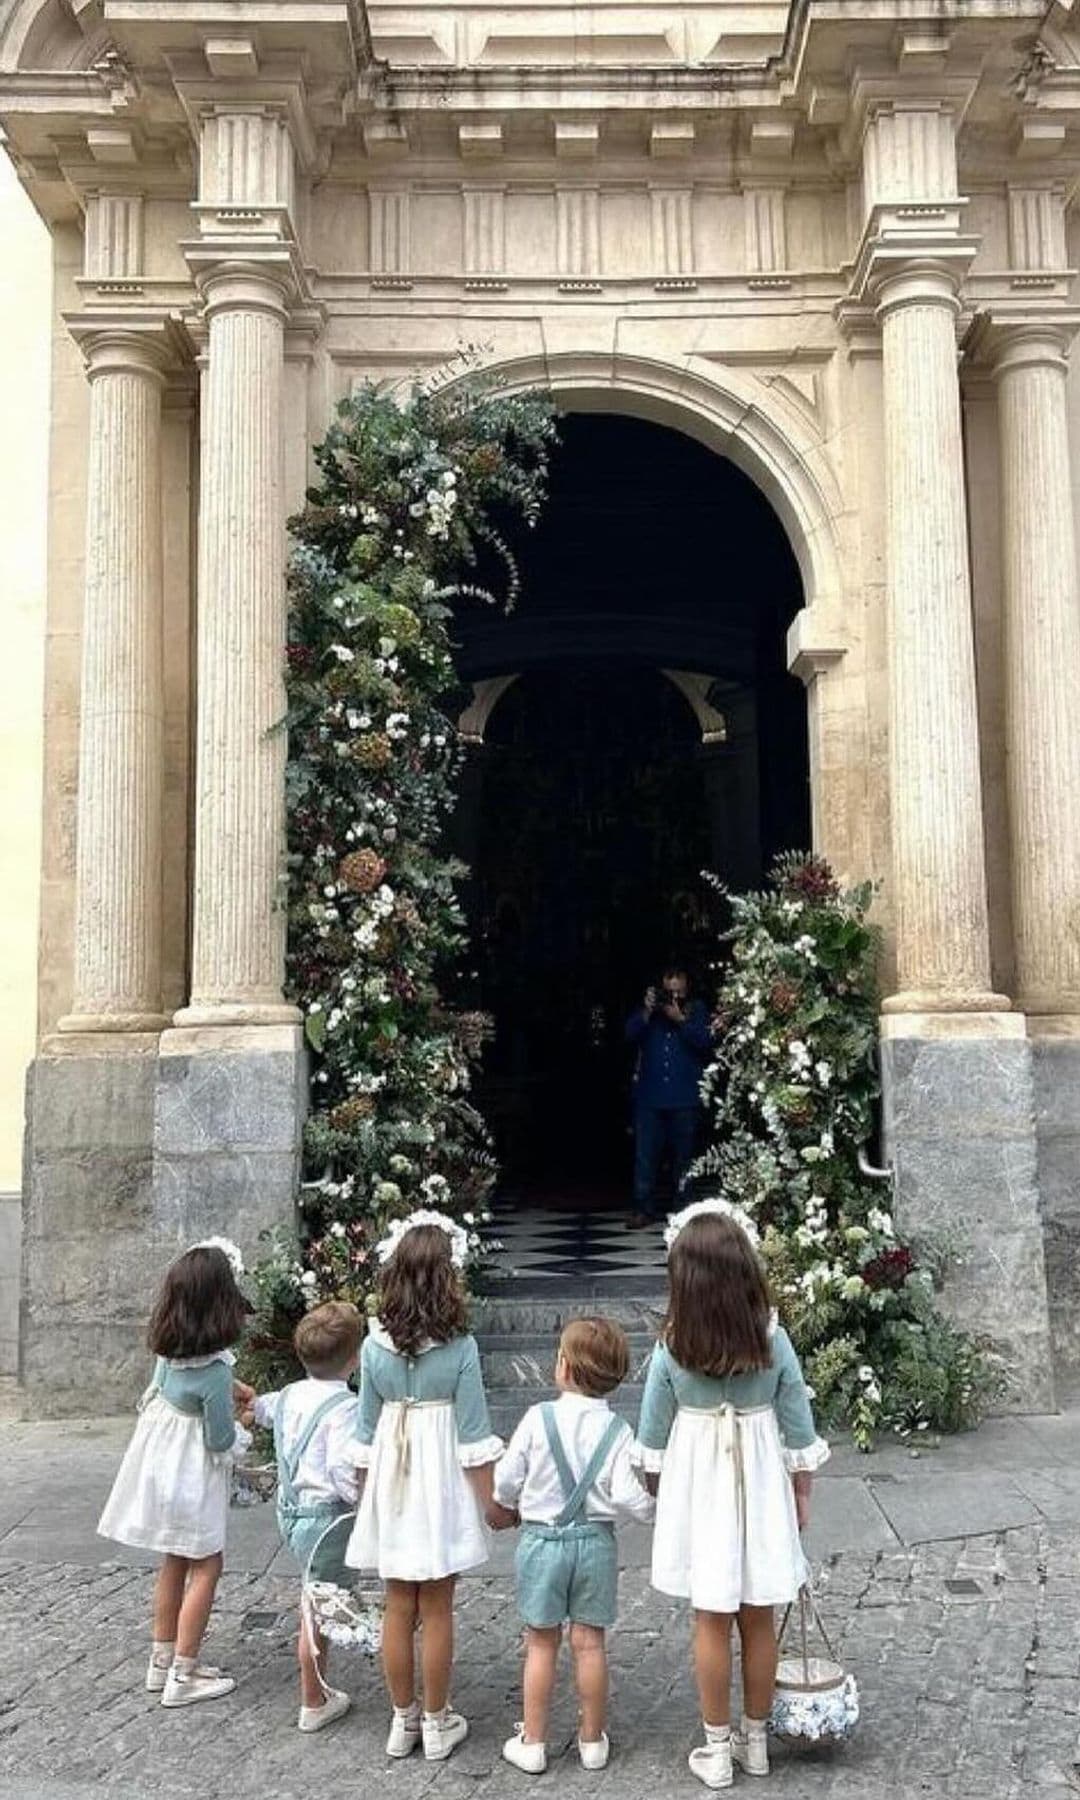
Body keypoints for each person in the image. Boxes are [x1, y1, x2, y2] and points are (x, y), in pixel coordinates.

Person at [634, 1201, 829, 1791]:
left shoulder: (672, 1346)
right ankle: (757, 1738)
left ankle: (716, 1748)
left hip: (700, 1489)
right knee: (759, 1616)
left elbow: (652, 1440)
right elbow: (798, 1424)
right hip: (761, 1482)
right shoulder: (772, 1338)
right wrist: (800, 1494)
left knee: (710, 1618)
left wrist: (659, 1495)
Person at [344, 1210, 502, 1763]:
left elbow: (364, 1430)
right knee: (437, 1606)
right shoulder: (460, 1348)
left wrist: (363, 1494)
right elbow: (474, 1434)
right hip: (439, 1481)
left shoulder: (372, 1346)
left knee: (396, 1605)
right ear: (446, 1280)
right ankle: (437, 1722)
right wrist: (494, 1503)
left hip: (392, 1473)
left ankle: (401, 1718)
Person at [487, 1317, 655, 1775]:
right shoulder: (618, 1430)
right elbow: (625, 1493)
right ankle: (592, 1740)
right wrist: (652, 1511)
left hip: (542, 1542)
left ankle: (534, 1741)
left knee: (541, 1643)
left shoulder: (538, 1419)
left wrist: (504, 1503)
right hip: (596, 1544)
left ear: (563, 1366)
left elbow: (507, 1478)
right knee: (590, 1644)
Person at [97, 1239, 254, 1709]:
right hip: (192, 1480)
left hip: (160, 1471)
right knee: (208, 1564)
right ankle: (185, 1672)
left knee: (173, 1561)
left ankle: (160, 1660)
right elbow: (220, 1441)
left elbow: (168, 1393)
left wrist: (231, 1386)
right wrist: (244, 1421)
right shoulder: (214, 1374)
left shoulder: (169, 1355)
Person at [246, 1300, 363, 1733]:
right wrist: (365, 1502)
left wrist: (249, 1402)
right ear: (355, 1359)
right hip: (327, 1520)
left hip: (291, 1513)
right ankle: (313, 1699)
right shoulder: (345, 1409)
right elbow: (341, 1471)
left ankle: (320, 1687)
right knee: (317, 1606)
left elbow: (265, 1409)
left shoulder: (293, 1394)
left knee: (316, 1595)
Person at [624, 966, 712, 1228]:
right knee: (645, 1156)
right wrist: (648, 1010)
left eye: (679, 992)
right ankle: (643, 1207)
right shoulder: (650, 1014)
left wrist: (681, 1020)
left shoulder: (697, 1010)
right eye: (668, 992)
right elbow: (629, 1034)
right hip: (650, 1097)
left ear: (687, 989)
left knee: (684, 1157)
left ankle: (684, 1208)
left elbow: (706, 1042)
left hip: (684, 1096)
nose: (673, 998)